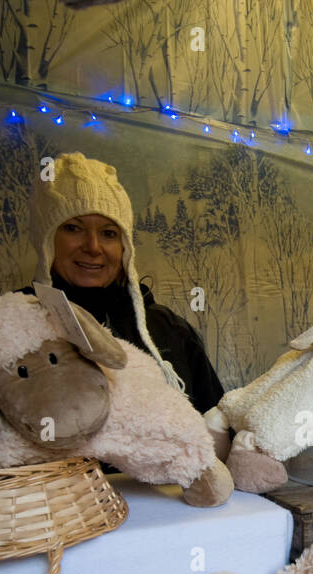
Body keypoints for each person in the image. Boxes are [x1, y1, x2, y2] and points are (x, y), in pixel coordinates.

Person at [24, 152, 224, 414]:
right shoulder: (14, 321)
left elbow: (218, 423)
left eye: (108, 233)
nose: (93, 247)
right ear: (45, 239)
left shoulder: (168, 329)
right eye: (73, 228)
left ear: (125, 247)